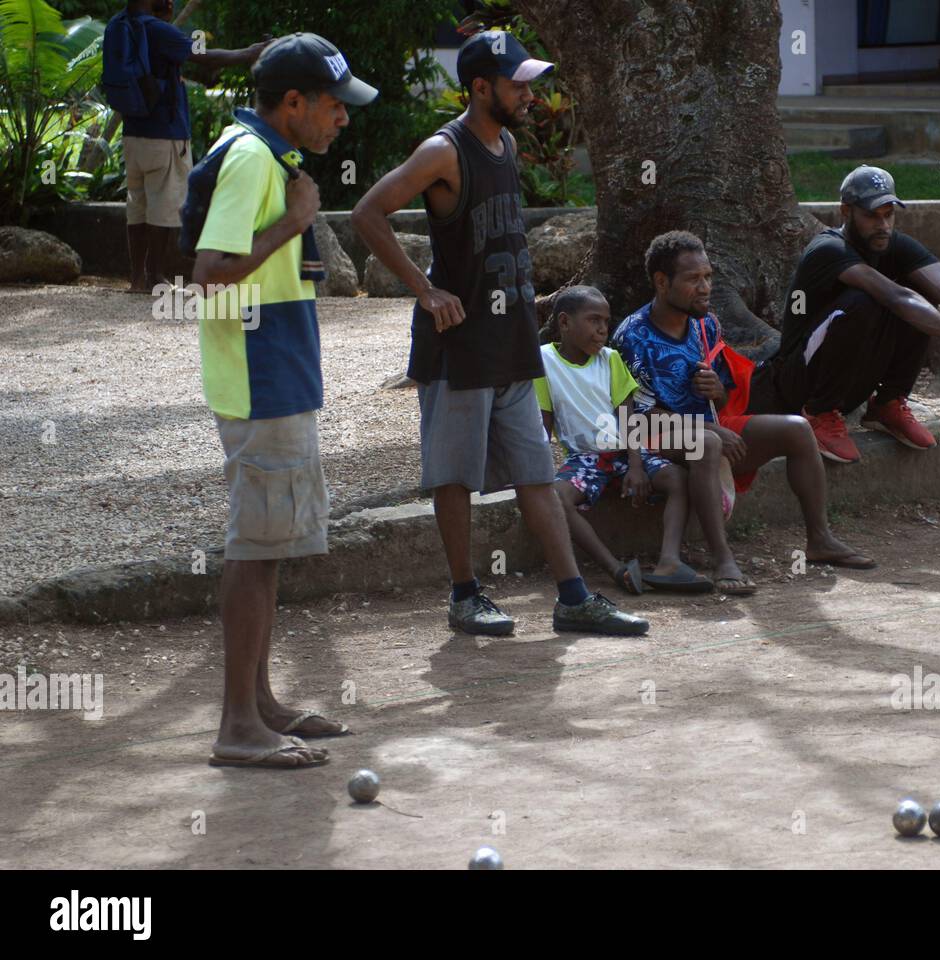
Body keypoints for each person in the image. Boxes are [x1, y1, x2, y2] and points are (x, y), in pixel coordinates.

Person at [351, 31, 648, 637]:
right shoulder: (443, 151)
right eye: (518, 83)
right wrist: (425, 290)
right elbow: (366, 213)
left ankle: (572, 598)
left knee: (537, 474)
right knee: (454, 477)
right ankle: (464, 596)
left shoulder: (506, 143)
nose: (530, 94)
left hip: (512, 344)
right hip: (457, 350)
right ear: (481, 86)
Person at [193, 34, 377, 768]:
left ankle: (260, 704)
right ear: (294, 102)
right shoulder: (249, 159)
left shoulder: (270, 154)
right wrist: (294, 224)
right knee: (255, 547)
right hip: (260, 379)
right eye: (334, 106)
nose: (343, 120)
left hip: (277, 374)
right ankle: (238, 724)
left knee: (269, 549)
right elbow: (209, 276)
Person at [611, 231, 875, 594]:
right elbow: (634, 416)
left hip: (706, 430)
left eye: (708, 276)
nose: (704, 287)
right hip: (653, 437)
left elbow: (719, 402)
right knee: (704, 442)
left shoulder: (706, 324)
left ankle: (820, 539)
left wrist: (718, 394)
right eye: (693, 279)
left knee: (797, 429)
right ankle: (723, 560)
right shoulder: (632, 337)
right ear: (661, 282)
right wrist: (712, 431)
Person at [748, 165, 940, 464]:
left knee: (923, 297)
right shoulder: (828, 249)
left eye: (888, 214)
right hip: (796, 382)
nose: (883, 224)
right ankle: (819, 413)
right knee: (866, 300)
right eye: (872, 215)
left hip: (852, 380)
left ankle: (888, 403)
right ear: (846, 212)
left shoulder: (895, 244)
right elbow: (897, 298)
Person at [535, 285, 711, 595]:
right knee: (558, 499)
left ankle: (669, 561)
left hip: (626, 451)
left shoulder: (611, 360)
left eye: (606, 321)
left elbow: (627, 418)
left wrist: (636, 465)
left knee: (677, 479)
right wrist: (535, 472)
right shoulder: (544, 362)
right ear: (564, 322)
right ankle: (615, 569)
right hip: (585, 458)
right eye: (593, 321)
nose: (603, 330)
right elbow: (542, 426)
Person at [107, 0, 268, 293]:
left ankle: (138, 278)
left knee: (138, 205)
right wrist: (250, 53)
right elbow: (204, 56)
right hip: (165, 133)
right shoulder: (158, 30)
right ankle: (156, 276)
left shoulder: (118, 25)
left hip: (132, 132)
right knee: (165, 205)